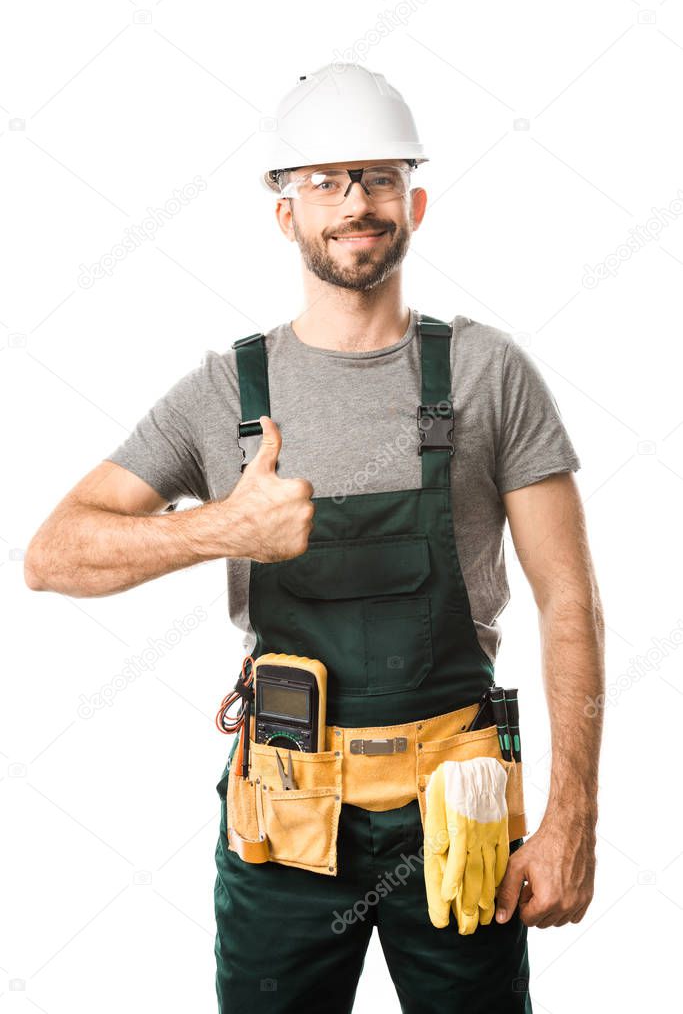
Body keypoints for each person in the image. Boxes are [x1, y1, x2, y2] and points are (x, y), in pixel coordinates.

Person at [24, 63, 604, 1014]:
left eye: (376, 177)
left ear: (411, 200)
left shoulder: (488, 372)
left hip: (455, 813)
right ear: (284, 212)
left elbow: (569, 598)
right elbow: (52, 555)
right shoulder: (225, 394)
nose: (355, 202)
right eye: (325, 181)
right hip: (285, 819)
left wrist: (571, 815)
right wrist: (221, 528)